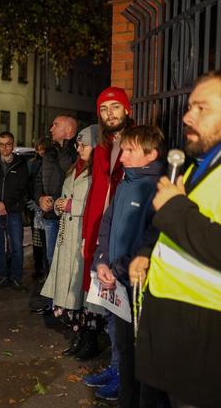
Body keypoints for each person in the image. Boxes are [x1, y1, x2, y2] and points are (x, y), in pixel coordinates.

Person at [129, 71, 221, 408]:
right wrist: (147, 252)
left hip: (207, 350)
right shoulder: (200, 165)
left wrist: (175, 208)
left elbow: (181, 216)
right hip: (176, 337)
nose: (186, 116)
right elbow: (176, 226)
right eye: (189, 106)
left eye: (202, 108)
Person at [90, 125, 165, 404]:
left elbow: (152, 238)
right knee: (122, 346)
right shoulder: (125, 182)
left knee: (139, 354)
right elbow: (107, 223)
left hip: (139, 288)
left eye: (129, 150)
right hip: (116, 281)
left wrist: (118, 269)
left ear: (151, 154)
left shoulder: (158, 189)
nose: (121, 157)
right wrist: (101, 262)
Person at [78, 87, 134, 363]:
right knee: (102, 294)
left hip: (125, 231)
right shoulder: (102, 148)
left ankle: (122, 369)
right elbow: (95, 195)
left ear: (127, 110)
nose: (109, 113)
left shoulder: (137, 143)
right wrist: (87, 236)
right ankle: (113, 363)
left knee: (123, 302)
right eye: (104, 108)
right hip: (101, 228)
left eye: (115, 107)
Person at [40, 126, 96, 356]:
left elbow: (96, 203)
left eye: (84, 145)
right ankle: (77, 335)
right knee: (67, 284)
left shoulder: (96, 172)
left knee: (79, 289)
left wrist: (73, 206)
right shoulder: (75, 168)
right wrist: (59, 204)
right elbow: (66, 195)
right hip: (67, 234)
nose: (79, 149)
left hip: (82, 234)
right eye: (78, 145)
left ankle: (87, 339)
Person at [0, 132, 30, 289]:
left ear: (13, 145)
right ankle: (2, 277)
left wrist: (5, 205)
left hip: (13, 211)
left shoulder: (21, 165)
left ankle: (16, 278)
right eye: (1, 144)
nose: (4, 147)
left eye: (8, 144)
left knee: (16, 246)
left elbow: (22, 189)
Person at [34, 116, 78, 275]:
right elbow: (38, 180)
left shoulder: (78, 151)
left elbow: (68, 167)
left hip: (69, 217)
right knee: (51, 259)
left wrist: (65, 146)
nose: (51, 129)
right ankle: (52, 300)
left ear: (68, 129)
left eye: (56, 125)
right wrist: (40, 198)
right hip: (50, 216)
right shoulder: (49, 153)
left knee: (67, 263)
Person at [28, 137, 51, 279]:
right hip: (36, 205)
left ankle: (46, 269)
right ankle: (38, 268)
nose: (40, 151)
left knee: (46, 240)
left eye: (43, 148)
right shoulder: (33, 163)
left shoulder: (51, 162)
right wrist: (33, 200)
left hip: (47, 205)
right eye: (38, 148)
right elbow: (31, 183)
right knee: (37, 239)